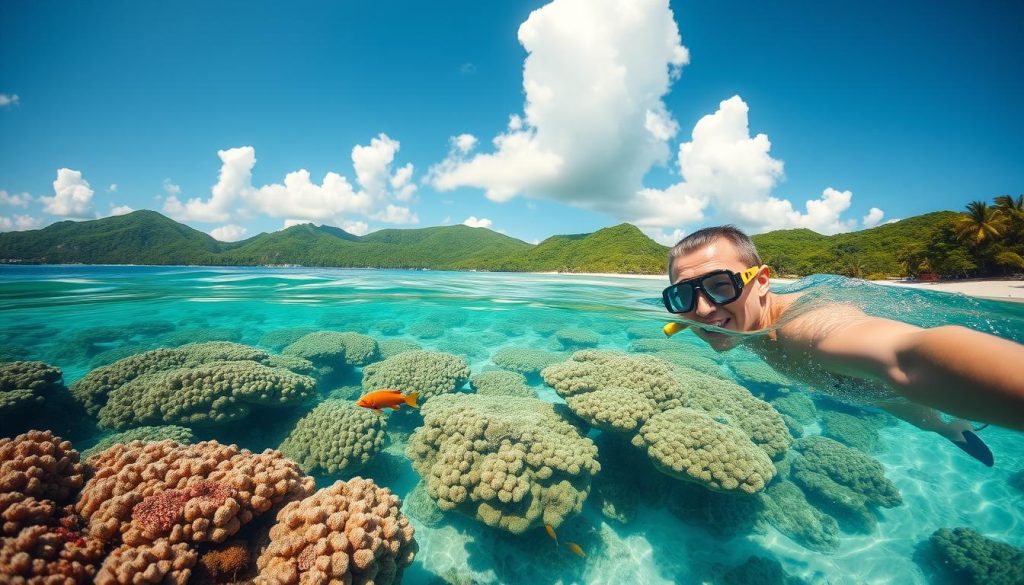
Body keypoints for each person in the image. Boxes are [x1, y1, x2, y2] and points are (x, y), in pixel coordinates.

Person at [661, 225, 1024, 467]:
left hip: (882, 385)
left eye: (720, 285)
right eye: (682, 295)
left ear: (762, 282)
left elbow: (907, 358)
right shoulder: (746, 324)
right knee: (927, 422)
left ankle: (954, 425)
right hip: (877, 395)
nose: (703, 309)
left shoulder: (803, 330)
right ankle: (952, 429)